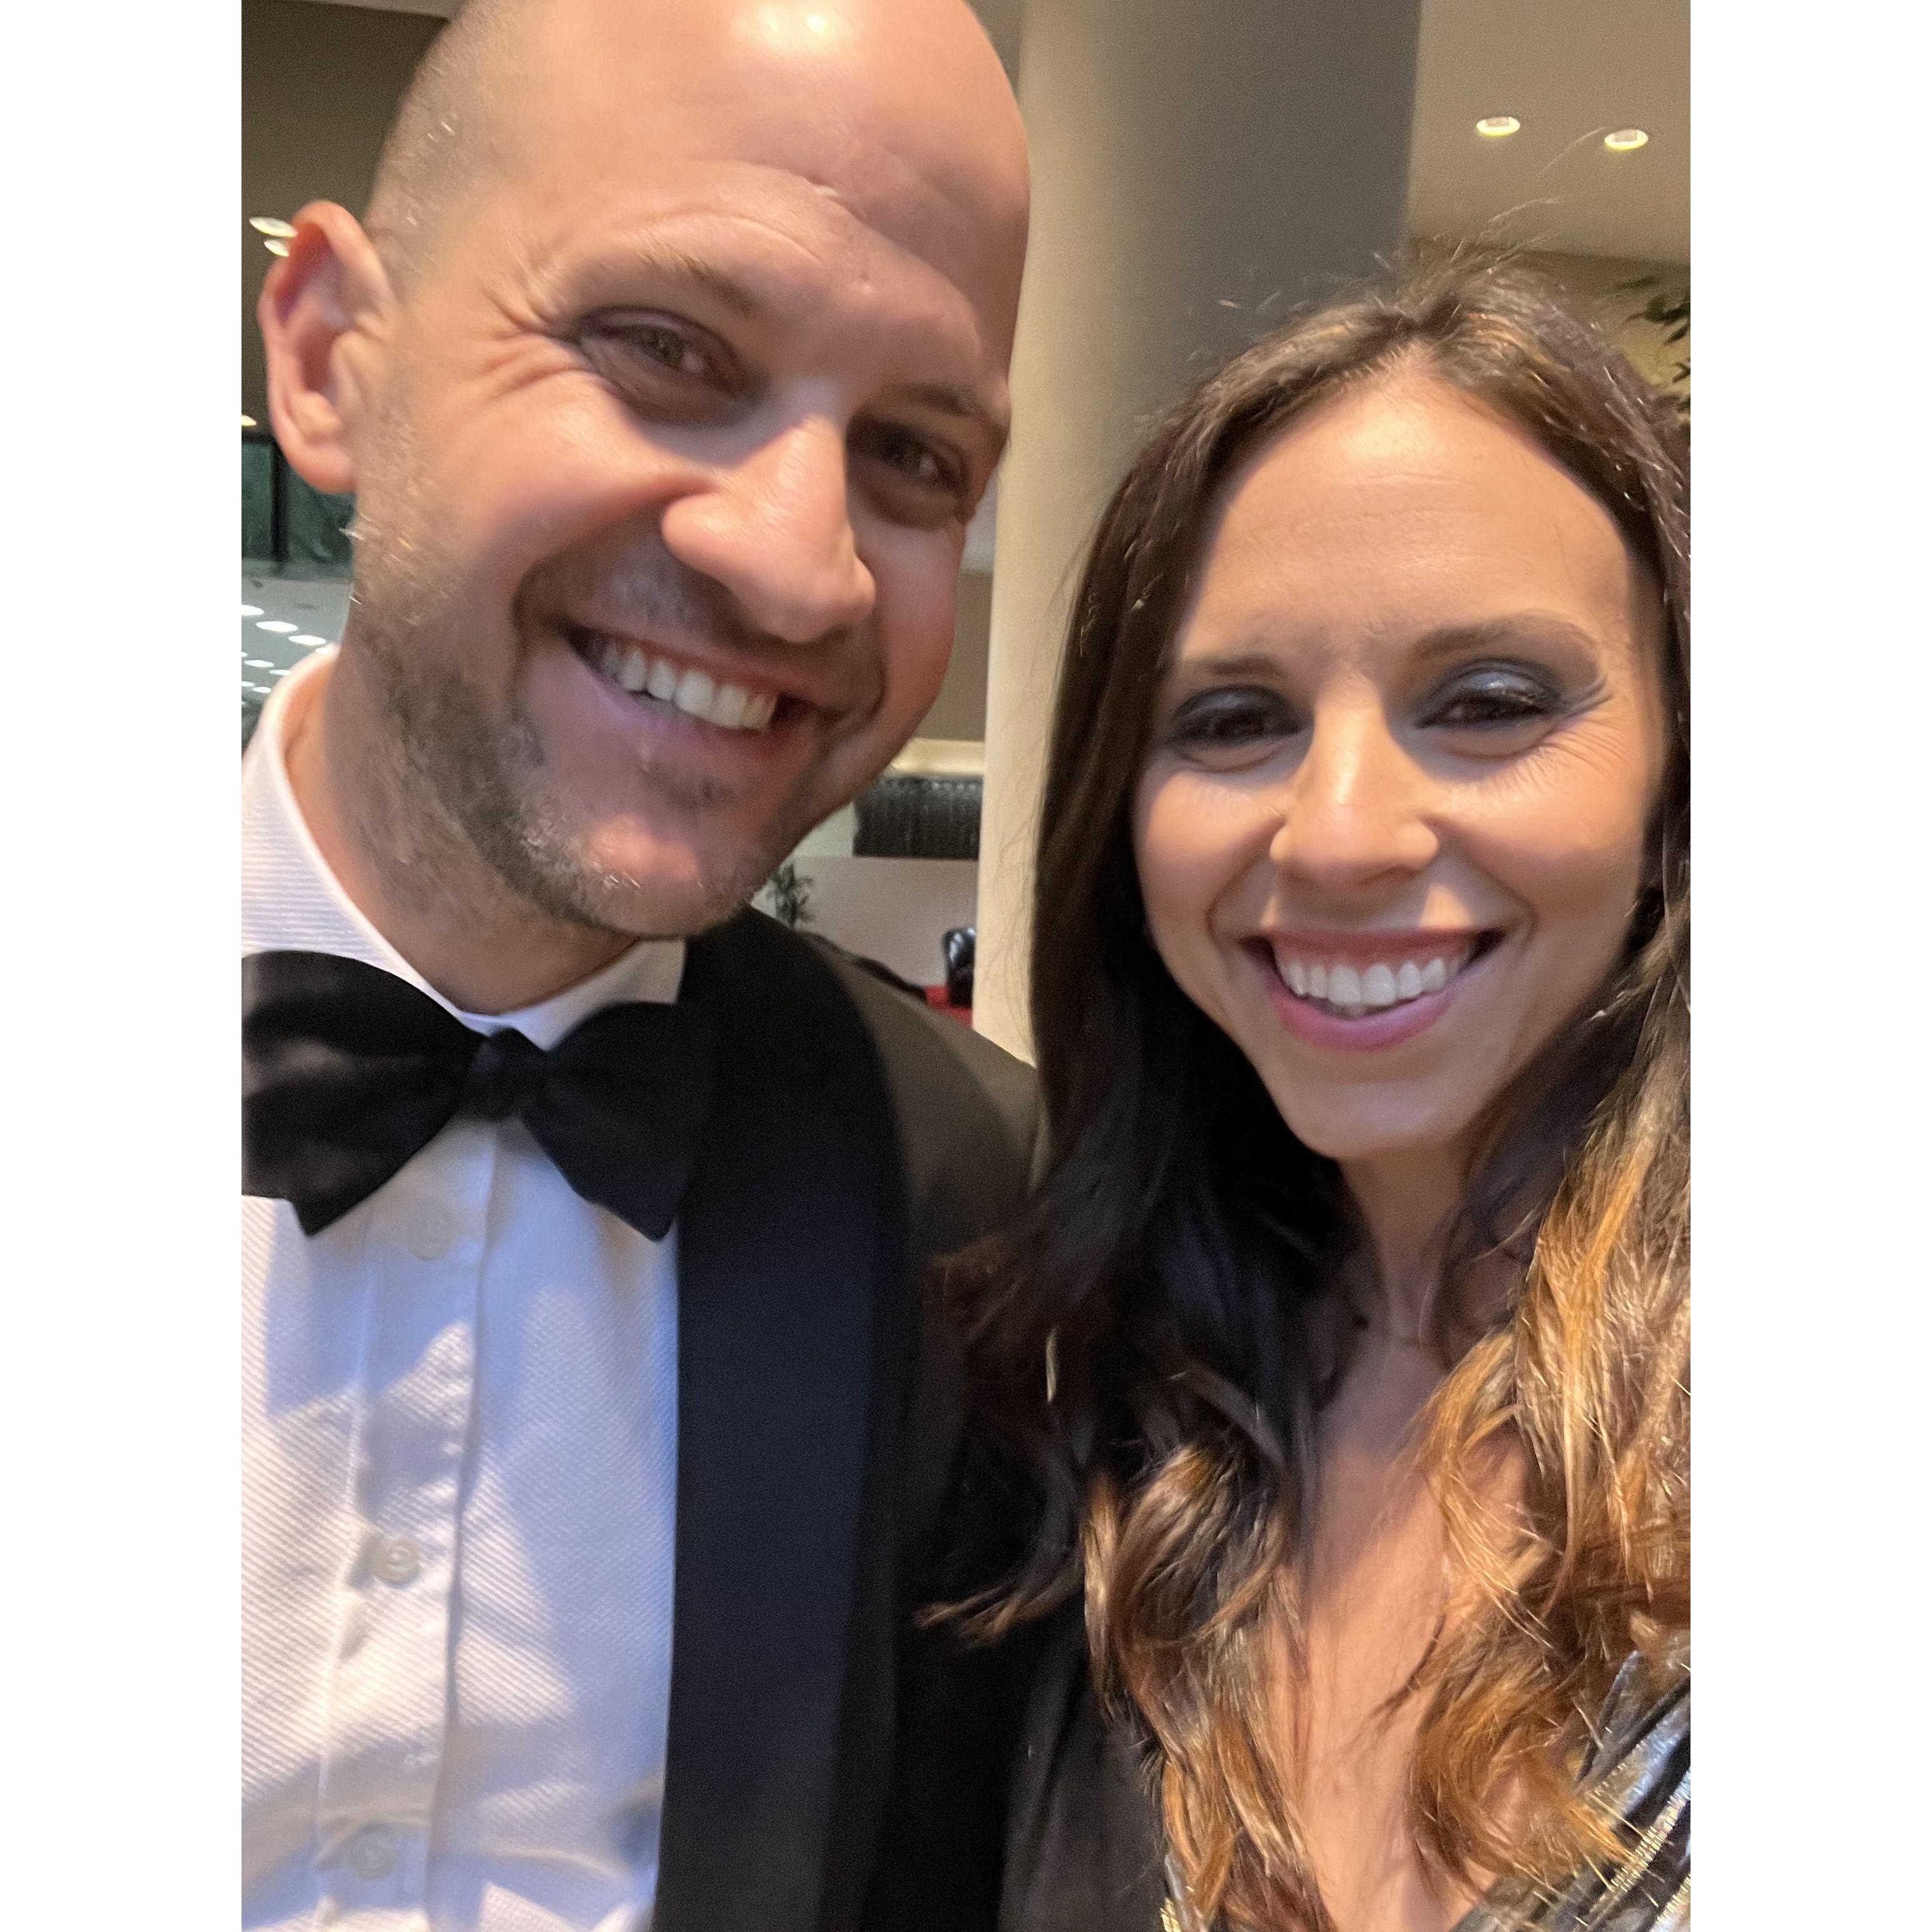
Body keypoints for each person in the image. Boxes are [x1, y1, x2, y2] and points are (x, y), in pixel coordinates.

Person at [240, 3, 1033, 1928]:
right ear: (334, 361)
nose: (797, 562)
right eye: (665, 351)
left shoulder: (978, 1200)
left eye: (914, 453)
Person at [938, 260, 1690, 1932]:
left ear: (1678, 792)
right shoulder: (1119, 1420)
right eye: (1234, 720)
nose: (1341, 833)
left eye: (1488, 704)